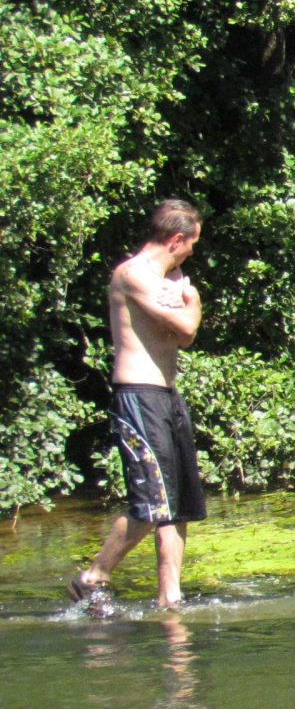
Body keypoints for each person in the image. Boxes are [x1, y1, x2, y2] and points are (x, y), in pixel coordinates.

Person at [67, 199, 206, 612]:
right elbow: (185, 329)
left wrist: (179, 288)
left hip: (166, 394)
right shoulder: (132, 275)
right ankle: (93, 576)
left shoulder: (166, 278)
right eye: (191, 244)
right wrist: (192, 299)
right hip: (138, 396)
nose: (193, 253)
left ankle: (170, 598)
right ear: (176, 239)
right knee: (151, 503)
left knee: (178, 505)